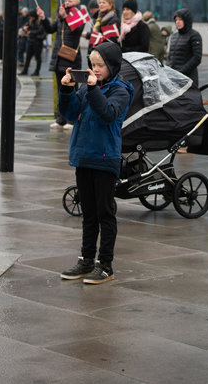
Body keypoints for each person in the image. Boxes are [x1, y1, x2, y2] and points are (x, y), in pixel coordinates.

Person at [59, 41, 133, 284]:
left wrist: (92, 89)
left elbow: (109, 113)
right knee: (88, 213)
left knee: (105, 213)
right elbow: (70, 114)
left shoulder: (121, 90)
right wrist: (67, 90)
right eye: (92, 64)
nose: (96, 69)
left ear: (112, 65)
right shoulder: (88, 88)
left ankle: (105, 264)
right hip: (84, 156)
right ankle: (86, 259)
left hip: (105, 158)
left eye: (100, 65)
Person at [37, 0, 85, 129]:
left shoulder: (79, 15)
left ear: (76, 3)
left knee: (72, 91)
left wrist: (66, 17)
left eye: (70, 1)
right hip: (59, 59)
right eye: (66, 0)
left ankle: (72, 120)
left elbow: (76, 30)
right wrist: (43, 18)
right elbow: (50, 29)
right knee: (61, 91)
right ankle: (61, 119)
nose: (66, 3)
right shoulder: (61, 17)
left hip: (71, 60)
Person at [167, 8, 202, 86]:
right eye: (176, 20)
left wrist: (181, 72)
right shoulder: (174, 36)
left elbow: (197, 58)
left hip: (188, 78)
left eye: (180, 19)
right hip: (173, 77)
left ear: (186, 20)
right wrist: (167, 69)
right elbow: (170, 55)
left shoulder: (194, 35)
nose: (177, 22)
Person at [18, 10, 46, 76]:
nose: (31, 18)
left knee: (38, 58)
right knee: (28, 57)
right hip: (31, 41)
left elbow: (40, 31)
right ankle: (25, 70)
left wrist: (31, 32)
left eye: (32, 17)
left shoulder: (40, 22)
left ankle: (37, 71)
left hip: (38, 42)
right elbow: (25, 26)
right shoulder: (30, 21)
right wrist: (24, 28)